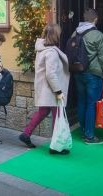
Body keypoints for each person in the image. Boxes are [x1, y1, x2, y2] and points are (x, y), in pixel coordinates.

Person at [18, 24, 70, 154]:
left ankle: (26, 134)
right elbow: (50, 74)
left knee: (43, 112)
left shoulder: (42, 49)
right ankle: (55, 146)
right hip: (52, 90)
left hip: (46, 89)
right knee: (57, 117)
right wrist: (58, 91)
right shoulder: (51, 52)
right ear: (55, 35)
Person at [73, 8, 103, 145]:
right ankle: (89, 136)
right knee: (92, 104)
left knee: (82, 102)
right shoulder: (98, 35)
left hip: (78, 72)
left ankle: (84, 131)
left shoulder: (75, 32)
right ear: (95, 19)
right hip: (94, 74)